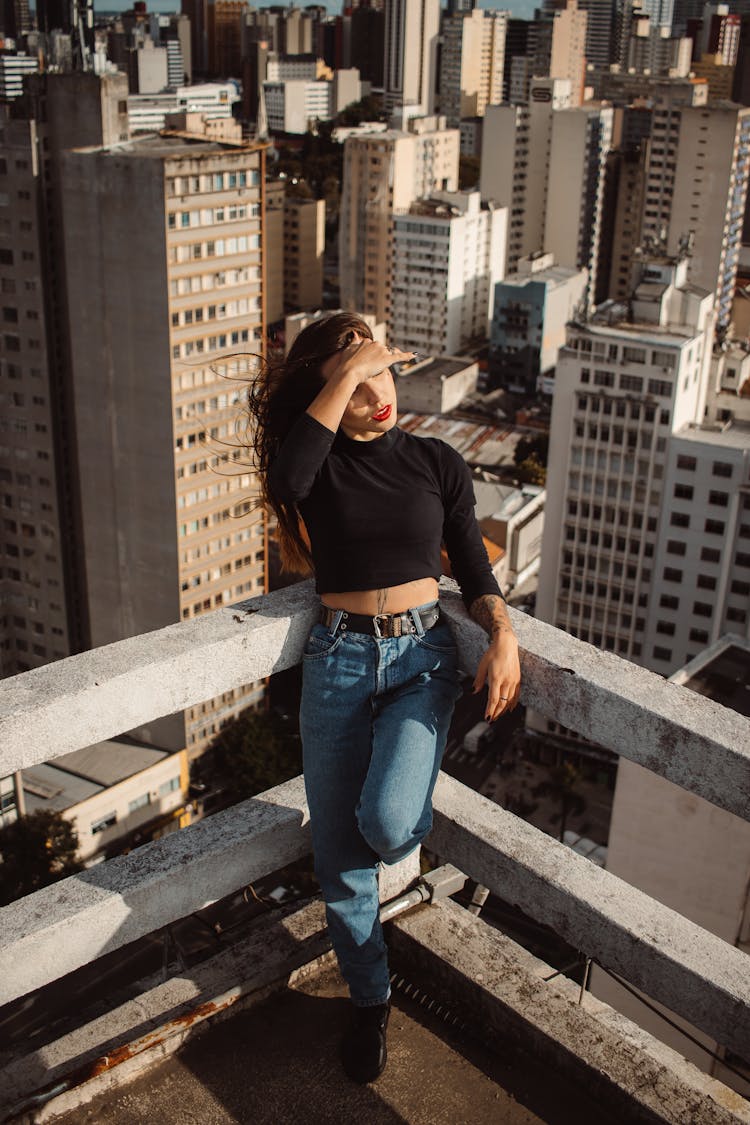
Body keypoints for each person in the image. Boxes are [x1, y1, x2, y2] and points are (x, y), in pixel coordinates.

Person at [248, 312, 521, 1084]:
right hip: (335, 662)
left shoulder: (437, 460)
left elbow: (473, 569)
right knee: (339, 864)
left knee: (388, 820)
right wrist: (341, 371)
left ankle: (416, 791)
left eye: (384, 374)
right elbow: (286, 481)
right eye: (358, 382)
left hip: (423, 662)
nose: (379, 395)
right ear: (333, 392)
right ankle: (370, 1003)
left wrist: (501, 633)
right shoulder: (317, 463)